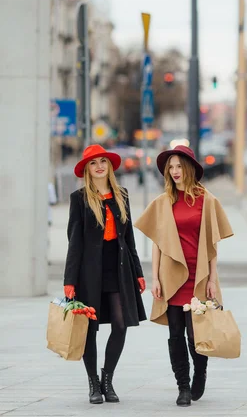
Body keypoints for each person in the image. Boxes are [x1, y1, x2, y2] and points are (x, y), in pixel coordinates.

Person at [134, 145, 233, 407]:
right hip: (170, 275)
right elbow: (157, 243)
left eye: (179, 166)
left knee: (196, 333)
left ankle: (200, 373)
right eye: (171, 168)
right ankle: (183, 387)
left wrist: (212, 279)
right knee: (176, 333)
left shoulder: (207, 200)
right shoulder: (163, 202)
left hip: (198, 276)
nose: (175, 172)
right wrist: (154, 277)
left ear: (188, 168)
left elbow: (213, 245)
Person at [63, 144, 146, 405]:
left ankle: (107, 379)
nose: (99, 166)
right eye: (93, 163)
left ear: (109, 166)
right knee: (91, 328)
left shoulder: (122, 195)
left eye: (103, 161)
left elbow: (129, 238)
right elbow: (74, 241)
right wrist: (70, 280)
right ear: (87, 169)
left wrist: (138, 272)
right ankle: (93, 385)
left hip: (119, 268)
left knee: (121, 325)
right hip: (89, 272)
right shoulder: (79, 198)